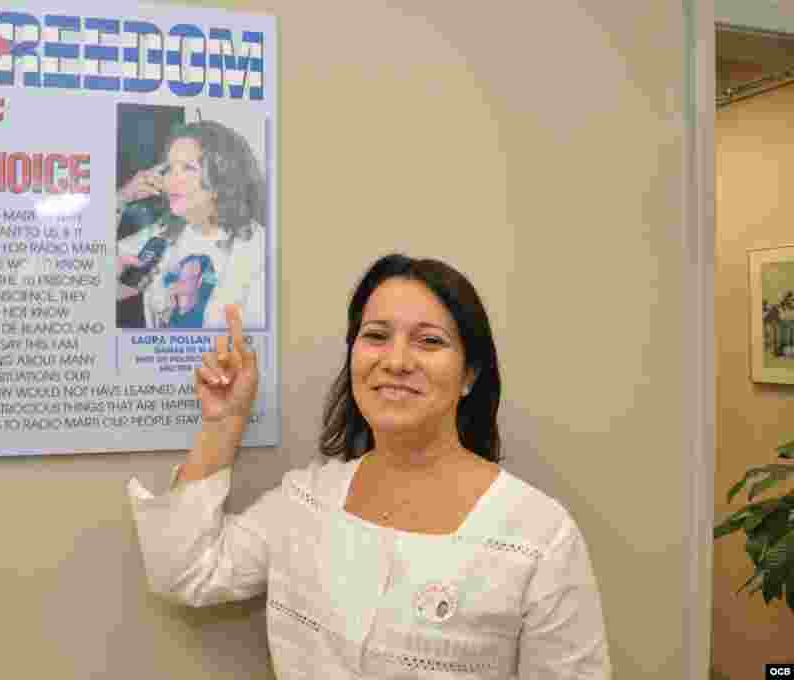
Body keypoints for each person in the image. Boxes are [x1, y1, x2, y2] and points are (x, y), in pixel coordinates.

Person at [127, 254, 611, 679]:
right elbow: (186, 572)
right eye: (376, 336)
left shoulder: (540, 537)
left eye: (429, 341)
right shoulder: (306, 500)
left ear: (470, 374)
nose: (396, 361)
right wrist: (224, 422)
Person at [115, 120, 266, 329]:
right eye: (169, 168)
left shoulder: (259, 248)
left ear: (220, 179)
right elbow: (96, 283)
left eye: (187, 168)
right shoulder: (164, 233)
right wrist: (121, 198)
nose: (171, 180)